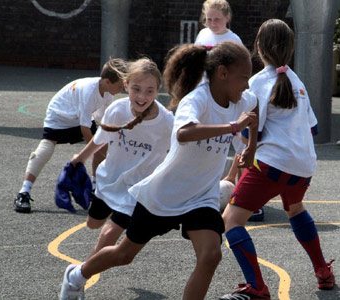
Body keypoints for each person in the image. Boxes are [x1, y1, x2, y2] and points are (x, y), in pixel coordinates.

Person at [58, 41, 258, 300]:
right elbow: (184, 133)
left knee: (211, 255)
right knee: (124, 254)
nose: (247, 84)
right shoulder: (197, 100)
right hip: (165, 194)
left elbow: (255, 108)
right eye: (243, 77)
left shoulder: (241, 99)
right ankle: (76, 275)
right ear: (222, 73)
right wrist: (233, 127)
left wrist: (251, 146)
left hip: (201, 197)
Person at [219, 19, 335, 300]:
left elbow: (252, 133)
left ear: (258, 47)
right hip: (304, 164)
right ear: (290, 48)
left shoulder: (258, 82)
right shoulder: (297, 81)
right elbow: (313, 129)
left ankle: (257, 288)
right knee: (295, 208)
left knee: (231, 222)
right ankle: (323, 272)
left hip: (273, 163)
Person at [69, 58, 174, 259]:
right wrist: (79, 159)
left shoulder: (167, 122)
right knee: (93, 224)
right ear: (126, 86)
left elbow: (176, 154)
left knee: (109, 233)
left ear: (158, 90)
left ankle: (80, 276)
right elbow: (100, 139)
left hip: (137, 188)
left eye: (150, 91)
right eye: (136, 89)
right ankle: (107, 211)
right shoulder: (117, 110)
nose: (142, 96)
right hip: (110, 179)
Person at [14, 58, 127, 213]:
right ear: (107, 81)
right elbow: (84, 128)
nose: (122, 89)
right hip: (59, 115)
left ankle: (95, 189)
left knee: (103, 141)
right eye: (120, 86)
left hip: (78, 117)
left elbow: (103, 122)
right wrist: (95, 150)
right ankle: (23, 192)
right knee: (46, 147)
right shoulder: (88, 91)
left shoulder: (107, 93)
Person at [195, 0, 264, 222]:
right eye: (208, 18)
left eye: (217, 19)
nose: (212, 23)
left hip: (230, 100)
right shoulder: (202, 36)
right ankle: (202, 195)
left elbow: (242, 71)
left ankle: (251, 202)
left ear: (227, 18)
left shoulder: (234, 41)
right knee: (203, 146)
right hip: (207, 99)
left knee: (241, 146)